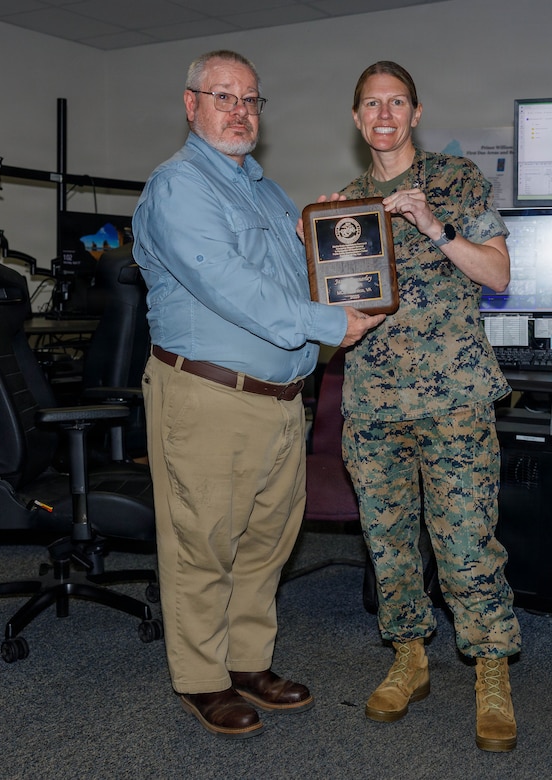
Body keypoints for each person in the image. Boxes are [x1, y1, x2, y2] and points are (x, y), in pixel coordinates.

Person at [132, 50, 384, 739]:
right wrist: (335, 323)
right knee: (203, 544)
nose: (239, 111)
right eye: (223, 97)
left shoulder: (268, 193)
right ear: (191, 105)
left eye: (250, 100)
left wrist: (327, 246)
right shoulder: (179, 188)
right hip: (208, 395)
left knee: (266, 543)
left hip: (279, 399)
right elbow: (233, 290)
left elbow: (287, 284)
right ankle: (202, 679)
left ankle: (247, 663)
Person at [338, 61, 522, 752]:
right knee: (388, 548)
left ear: (414, 113)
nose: (383, 115)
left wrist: (433, 224)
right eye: (370, 105)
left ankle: (491, 672)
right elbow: (334, 310)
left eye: (396, 102)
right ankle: (409, 658)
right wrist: (316, 250)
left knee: (468, 545)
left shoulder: (456, 180)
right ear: (357, 119)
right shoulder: (346, 203)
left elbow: (498, 274)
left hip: (453, 399)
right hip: (374, 403)